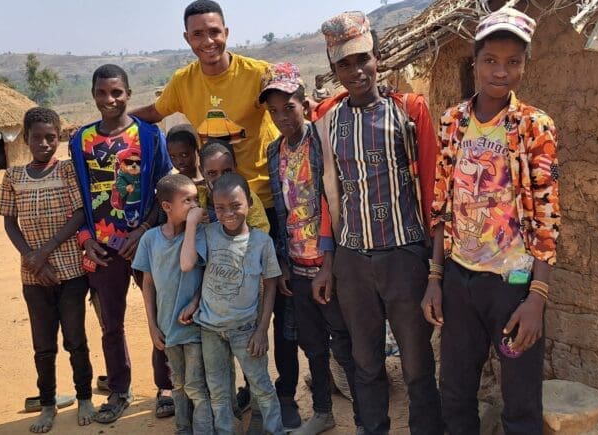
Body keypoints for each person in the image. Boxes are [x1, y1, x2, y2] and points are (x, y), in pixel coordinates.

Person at [131, 2, 301, 426]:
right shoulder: (182, 82)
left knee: (276, 304)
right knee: (224, 298)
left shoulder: (256, 72)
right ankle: (237, 395)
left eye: (214, 32)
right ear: (186, 39)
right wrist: (110, 125)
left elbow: (292, 100)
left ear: (227, 31)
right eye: (197, 34)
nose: (207, 41)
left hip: (266, 204)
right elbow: (153, 115)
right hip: (217, 211)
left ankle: (281, 399)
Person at [422, 8, 560, 434]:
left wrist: (536, 297)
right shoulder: (452, 123)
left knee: (519, 403)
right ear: (474, 62)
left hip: (513, 287)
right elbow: (441, 206)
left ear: (524, 64)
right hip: (460, 282)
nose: (501, 71)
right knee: (457, 395)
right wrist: (435, 276)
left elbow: (546, 214)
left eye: (513, 61)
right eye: (491, 60)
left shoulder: (534, 127)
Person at [315, 11, 443, 435]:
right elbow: (328, 196)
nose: (356, 71)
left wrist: (434, 265)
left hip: (404, 256)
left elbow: (432, 187)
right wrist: (328, 260)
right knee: (366, 365)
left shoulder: (408, 111)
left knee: (417, 365)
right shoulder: (328, 121)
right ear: (334, 69)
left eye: (362, 59)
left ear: (377, 57)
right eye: (345, 64)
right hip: (353, 263)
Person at [69, 64, 173, 424]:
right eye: (102, 92)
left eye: (116, 92)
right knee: (110, 323)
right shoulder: (80, 141)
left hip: (145, 244)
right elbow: (80, 197)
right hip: (103, 249)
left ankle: (166, 386)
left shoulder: (149, 135)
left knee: (159, 314)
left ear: (128, 93)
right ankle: (119, 389)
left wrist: (144, 228)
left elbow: (166, 188)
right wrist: (86, 240)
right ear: (94, 95)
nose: (109, 99)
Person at [261, 62, 361, 435]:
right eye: (273, 111)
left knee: (345, 344)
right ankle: (322, 412)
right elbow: (283, 211)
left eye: (288, 107)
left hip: (328, 265)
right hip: (298, 268)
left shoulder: (323, 141)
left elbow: (334, 201)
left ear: (304, 102)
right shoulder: (275, 152)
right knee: (313, 345)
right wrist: (284, 262)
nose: (282, 117)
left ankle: (367, 420)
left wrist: (329, 264)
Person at [0, 107, 94, 433]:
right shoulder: (13, 177)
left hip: (70, 271)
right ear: (26, 138)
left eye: (51, 137)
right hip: (34, 277)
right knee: (43, 346)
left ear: (60, 138)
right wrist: (31, 259)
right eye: (37, 137)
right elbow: (10, 222)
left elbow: (80, 214)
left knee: (76, 340)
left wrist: (45, 252)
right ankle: (48, 405)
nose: (44, 143)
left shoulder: (67, 171)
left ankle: (84, 398)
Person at [181, 172, 285, 434]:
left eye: (236, 205)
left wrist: (262, 330)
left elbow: (270, 285)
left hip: (246, 330)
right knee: (218, 390)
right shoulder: (209, 233)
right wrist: (195, 302)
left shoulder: (262, 242)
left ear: (249, 203)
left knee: (261, 385)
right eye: (220, 208)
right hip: (210, 328)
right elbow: (200, 270)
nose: (228, 213)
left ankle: (275, 430)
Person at [132, 174, 213, 435]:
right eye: (186, 200)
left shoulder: (199, 235)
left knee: (197, 386)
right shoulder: (150, 240)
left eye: (195, 199)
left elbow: (204, 274)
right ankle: (182, 428)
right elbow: (147, 284)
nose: (193, 205)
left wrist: (196, 301)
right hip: (168, 328)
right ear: (167, 207)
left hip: (195, 325)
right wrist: (152, 326)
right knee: (178, 383)